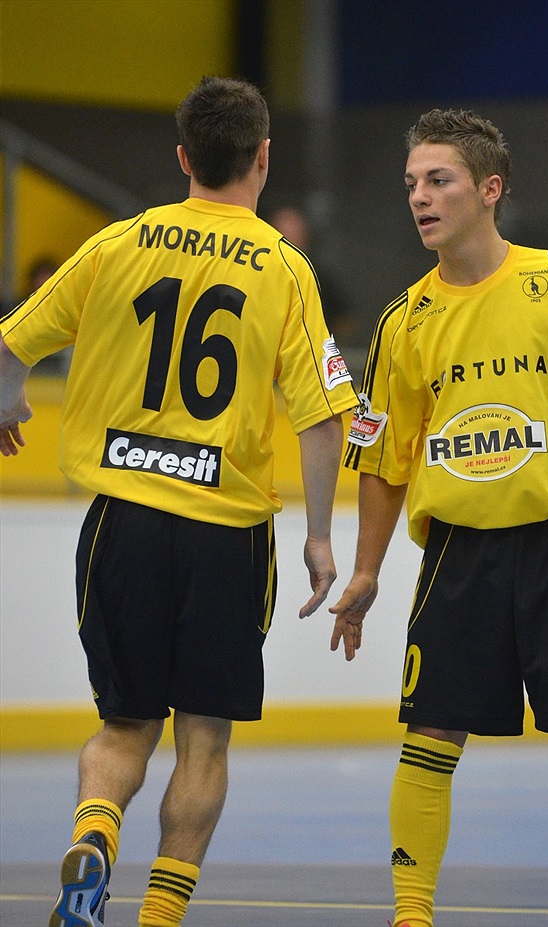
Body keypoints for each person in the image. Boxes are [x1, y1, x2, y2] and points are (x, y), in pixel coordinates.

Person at [0, 75, 357, 927]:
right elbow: (320, 417)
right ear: (262, 158)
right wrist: (318, 536)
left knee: (123, 725)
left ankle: (94, 834)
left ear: (183, 158)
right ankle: (159, 916)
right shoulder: (284, 267)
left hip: (123, 524)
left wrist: (9, 402)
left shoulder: (117, 242)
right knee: (204, 737)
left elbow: (12, 344)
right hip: (227, 535)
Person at [329, 108, 548, 927]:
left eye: (439, 180)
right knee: (430, 734)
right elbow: (383, 464)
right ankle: (411, 914)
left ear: (489, 189)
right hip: (457, 554)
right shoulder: (401, 322)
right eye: (411, 183)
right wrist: (366, 570)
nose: (420, 197)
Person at [268, 204, 356, 345]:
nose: (289, 240)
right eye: (284, 234)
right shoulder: (262, 274)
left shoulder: (319, 276)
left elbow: (344, 317)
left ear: (305, 236)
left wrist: (325, 343)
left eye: (294, 233)